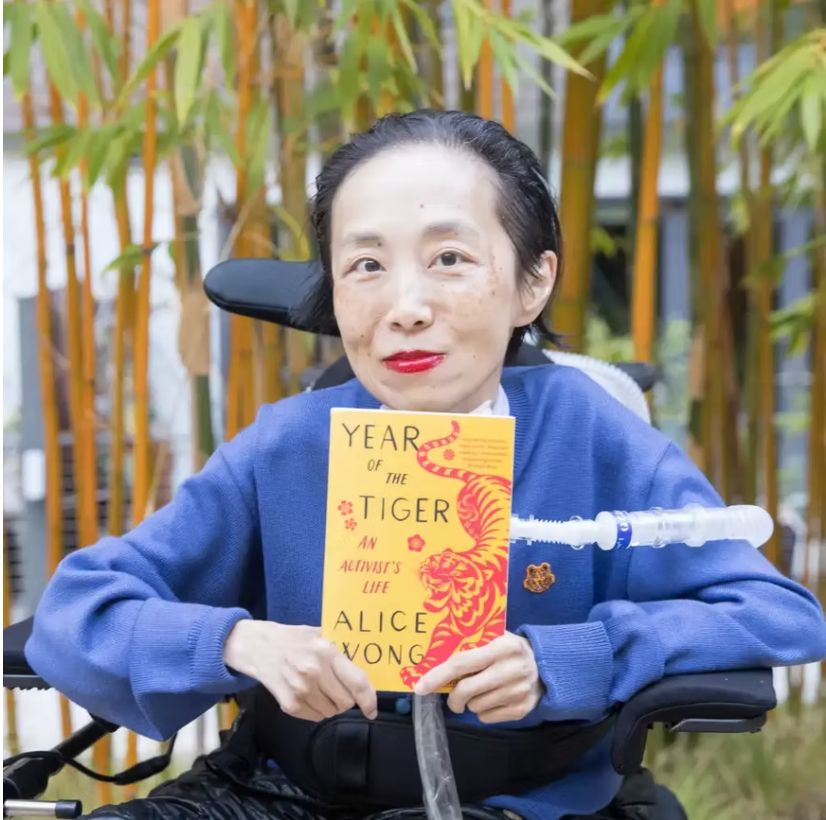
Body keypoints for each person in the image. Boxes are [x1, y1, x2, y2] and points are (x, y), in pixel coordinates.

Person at [25, 110, 826, 820]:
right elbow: (80, 608)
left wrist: (569, 659)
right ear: (334, 292)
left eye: (449, 258)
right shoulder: (291, 443)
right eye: (366, 265)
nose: (405, 305)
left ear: (531, 282)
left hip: (518, 802)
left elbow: (774, 610)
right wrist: (240, 644)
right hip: (279, 792)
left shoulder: (591, 435)